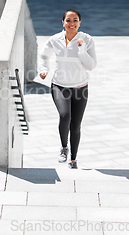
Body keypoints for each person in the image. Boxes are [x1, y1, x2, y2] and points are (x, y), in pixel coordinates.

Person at [38, 9, 97, 169]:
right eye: (68, 20)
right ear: (62, 23)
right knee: (65, 116)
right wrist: (43, 69)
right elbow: (44, 56)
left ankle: (73, 159)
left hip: (80, 87)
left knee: (76, 124)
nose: (72, 24)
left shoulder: (86, 39)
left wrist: (82, 51)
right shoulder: (55, 39)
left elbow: (91, 66)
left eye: (75, 20)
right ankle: (64, 147)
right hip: (59, 85)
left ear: (80, 22)